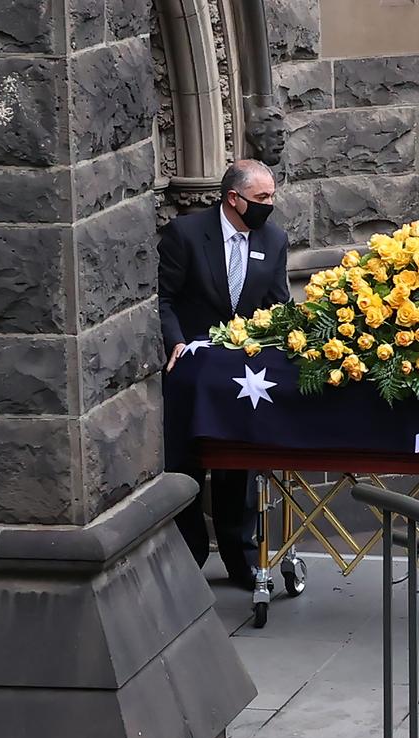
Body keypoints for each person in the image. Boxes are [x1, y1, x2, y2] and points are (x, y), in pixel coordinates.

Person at [159, 159, 290, 589]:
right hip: (192, 376)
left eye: (271, 196)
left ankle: (242, 557)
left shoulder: (273, 240)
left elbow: (277, 306)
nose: (269, 205)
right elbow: (165, 299)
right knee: (188, 465)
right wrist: (175, 341)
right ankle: (189, 556)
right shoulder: (187, 234)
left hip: (243, 377)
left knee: (240, 466)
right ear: (233, 199)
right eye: (262, 198)